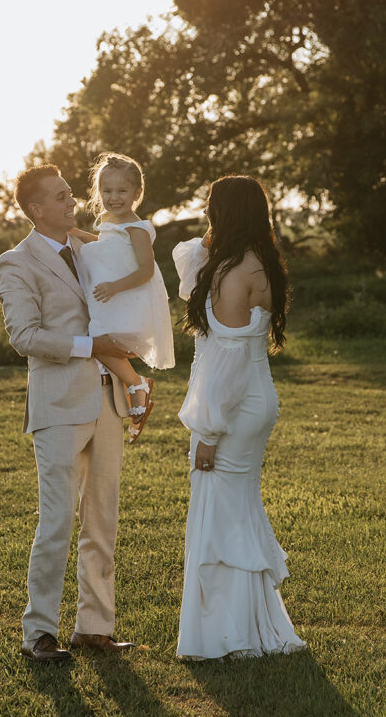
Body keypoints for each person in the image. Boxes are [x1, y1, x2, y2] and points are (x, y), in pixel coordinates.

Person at [0, 163, 137, 662]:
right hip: (57, 403)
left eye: (70, 192)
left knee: (103, 517)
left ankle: (93, 627)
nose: (72, 200)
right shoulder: (16, 262)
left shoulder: (88, 248)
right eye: (60, 196)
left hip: (108, 400)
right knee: (56, 520)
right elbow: (24, 337)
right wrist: (89, 344)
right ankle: (39, 633)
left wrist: (132, 375)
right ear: (35, 209)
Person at [172, 175, 307, 661]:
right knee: (234, 509)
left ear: (220, 212)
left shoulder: (233, 270)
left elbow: (226, 359)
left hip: (233, 404)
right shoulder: (254, 259)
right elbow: (188, 261)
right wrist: (215, 237)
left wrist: (207, 431)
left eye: (212, 210)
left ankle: (232, 636)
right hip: (253, 396)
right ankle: (248, 626)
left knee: (220, 513)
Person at [72, 152, 175, 443]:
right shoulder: (109, 223)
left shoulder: (137, 229)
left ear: (137, 192)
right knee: (97, 341)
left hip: (128, 301)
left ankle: (137, 384)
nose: (113, 197)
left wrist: (115, 287)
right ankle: (136, 389)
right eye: (106, 191)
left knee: (97, 342)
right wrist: (75, 233)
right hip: (111, 303)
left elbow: (145, 270)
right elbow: (107, 247)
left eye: (121, 191)